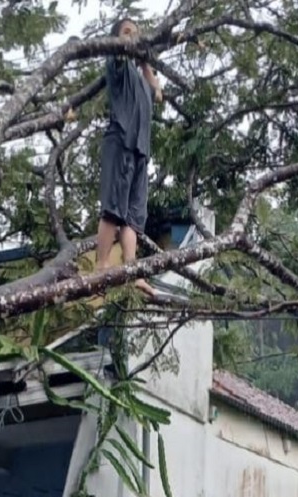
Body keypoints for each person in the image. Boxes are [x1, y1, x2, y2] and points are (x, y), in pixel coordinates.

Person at [95, 17, 162, 296]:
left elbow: (158, 92)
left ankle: (132, 270)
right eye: (126, 32)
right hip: (121, 141)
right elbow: (122, 52)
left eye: (136, 34)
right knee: (114, 208)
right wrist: (126, 45)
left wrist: (146, 60)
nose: (132, 37)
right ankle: (101, 266)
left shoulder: (142, 78)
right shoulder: (118, 64)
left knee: (134, 217)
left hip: (140, 151)